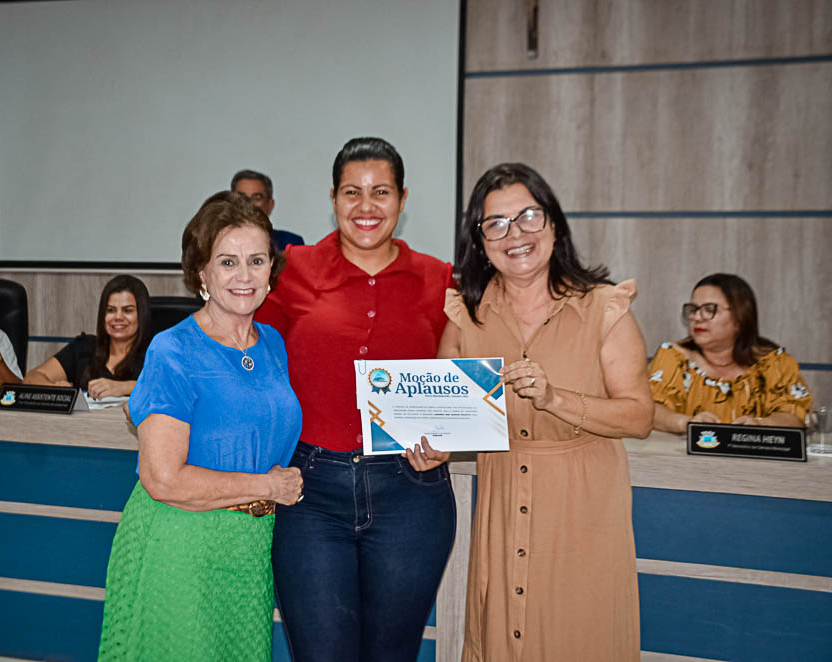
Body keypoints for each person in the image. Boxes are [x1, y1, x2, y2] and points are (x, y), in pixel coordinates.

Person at [441, 163, 653, 661]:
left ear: (554, 225)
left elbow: (639, 416)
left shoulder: (604, 308)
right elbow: (446, 417)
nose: (514, 235)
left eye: (528, 217)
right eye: (496, 223)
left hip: (581, 513)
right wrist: (430, 449)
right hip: (500, 506)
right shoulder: (465, 316)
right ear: (480, 239)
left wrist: (556, 398)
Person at [255, 137, 456, 662]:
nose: (366, 207)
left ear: (403, 198)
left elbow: (460, 377)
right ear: (333, 198)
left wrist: (450, 439)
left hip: (411, 492)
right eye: (352, 192)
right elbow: (244, 351)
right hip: (309, 494)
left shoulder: (438, 279)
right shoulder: (292, 269)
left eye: (381, 192)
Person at [97, 192, 303, 661]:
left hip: (249, 551)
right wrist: (268, 485)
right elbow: (163, 478)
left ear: (272, 269)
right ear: (201, 273)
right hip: (180, 547)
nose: (244, 276)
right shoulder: (173, 351)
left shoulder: (271, 342)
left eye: (256, 260)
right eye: (227, 261)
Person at [649, 273, 812, 432]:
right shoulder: (674, 357)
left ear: (740, 317)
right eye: (693, 309)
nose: (697, 317)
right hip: (686, 458)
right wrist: (687, 423)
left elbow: (795, 414)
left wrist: (761, 425)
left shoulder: (775, 363)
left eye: (709, 309)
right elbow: (650, 409)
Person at [23, 275, 150, 400]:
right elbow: (31, 377)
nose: (117, 317)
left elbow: (166, 391)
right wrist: (53, 387)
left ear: (141, 314)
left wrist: (124, 387)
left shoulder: (156, 352)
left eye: (127, 310)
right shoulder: (84, 347)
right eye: (110, 310)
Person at [231, 168, 305, 249]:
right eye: (241, 197)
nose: (248, 204)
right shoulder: (218, 240)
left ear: (270, 205)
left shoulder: (290, 243)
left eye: (257, 198)